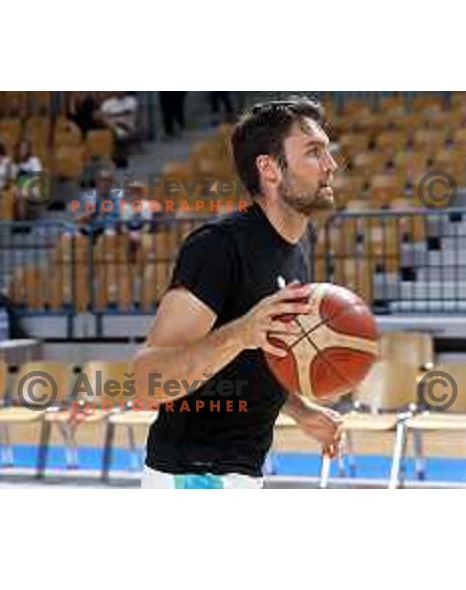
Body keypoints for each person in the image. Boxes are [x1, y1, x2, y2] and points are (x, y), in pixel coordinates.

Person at [130, 98, 341, 489]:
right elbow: (147, 382)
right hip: (192, 475)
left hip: (242, 471)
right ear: (269, 168)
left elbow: (250, 360)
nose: (331, 164)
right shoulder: (218, 247)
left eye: (327, 151)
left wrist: (299, 409)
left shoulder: (297, 246)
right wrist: (240, 333)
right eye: (314, 152)